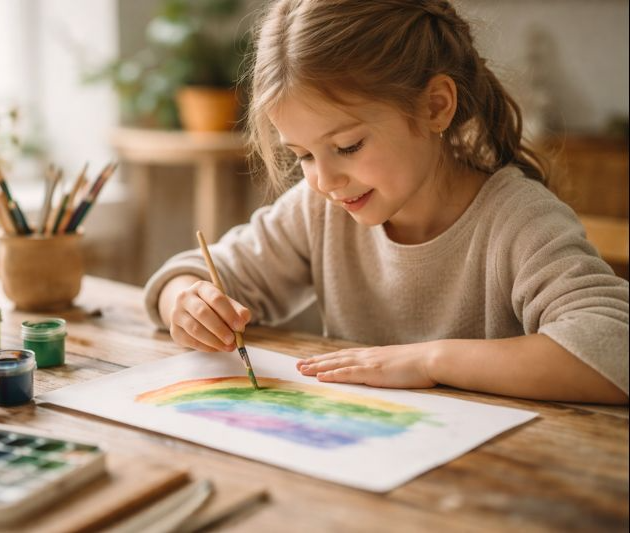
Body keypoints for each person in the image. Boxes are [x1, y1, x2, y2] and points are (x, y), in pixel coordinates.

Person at [143, 0, 629, 404]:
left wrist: (428, 360)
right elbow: (194, 273)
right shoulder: (319, 211)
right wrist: (186, 300)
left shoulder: (518, 221)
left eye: (348, 146)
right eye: (303, 156)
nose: (325, 180)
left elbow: (614, 350)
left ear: (436, 106)